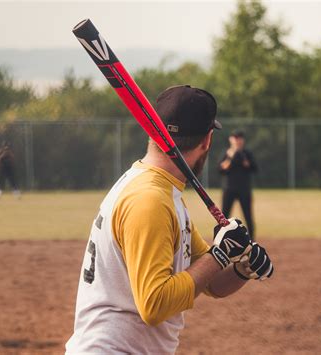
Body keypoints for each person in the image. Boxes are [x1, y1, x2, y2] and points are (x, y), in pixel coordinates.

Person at [65, 85, 273, 354]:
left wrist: (241, 270)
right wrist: (220, 253)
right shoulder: (150, 199)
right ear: (207, 140)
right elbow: (154, 305)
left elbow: (207, 278)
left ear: (151, 131)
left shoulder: (160, 190)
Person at [219, 130, 258, 240]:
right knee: (224, 216)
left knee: (248, 216)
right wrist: (230, 157)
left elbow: (254, 168)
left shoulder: (247, 153)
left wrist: (247, 163)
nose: (237, 141)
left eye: (239, 138)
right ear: (231, 140)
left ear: (243, 140)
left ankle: (252, 240)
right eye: (235, 138)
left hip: (244, 189)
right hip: (229, 189)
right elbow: (221, 169)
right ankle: (222, 239)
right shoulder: (227, 153)